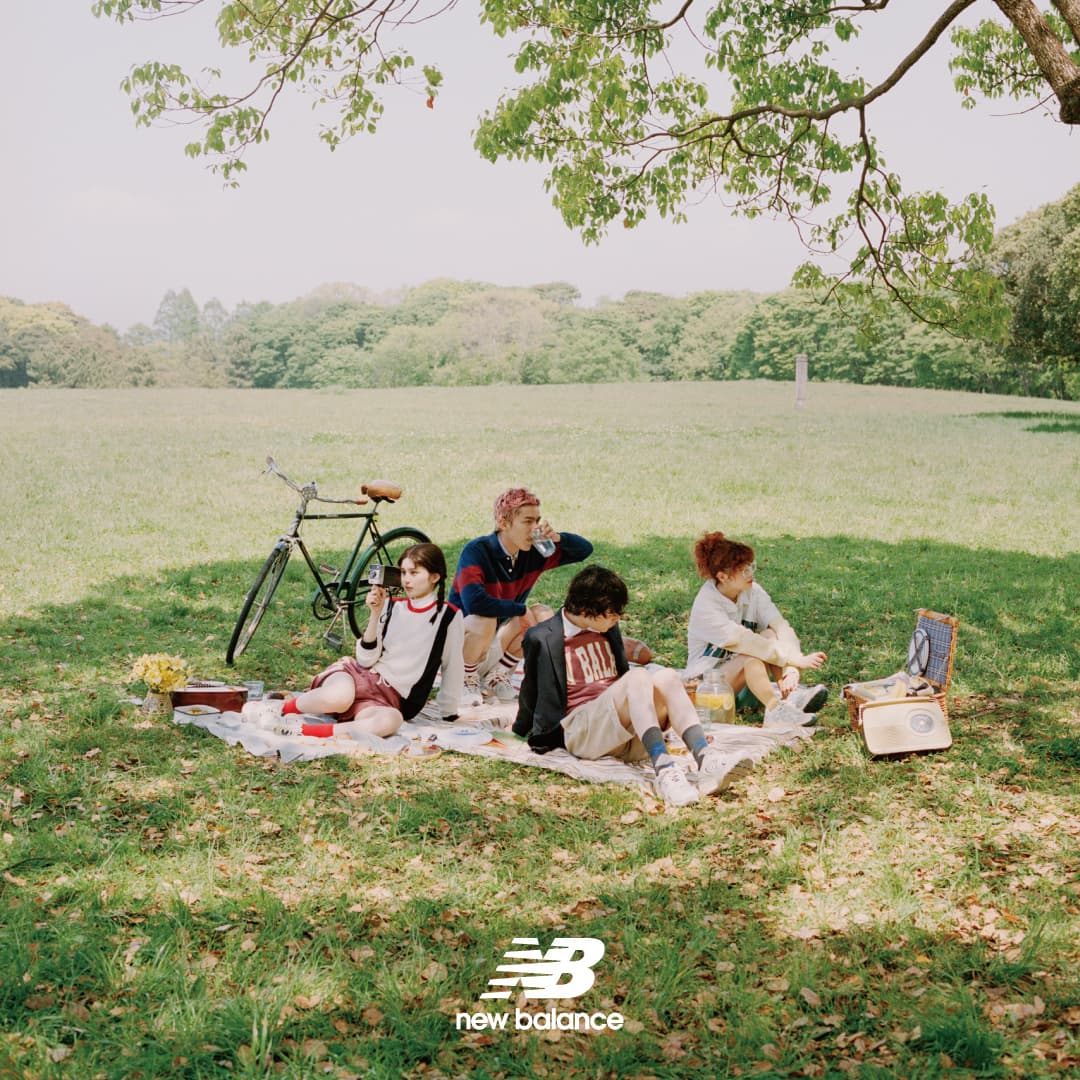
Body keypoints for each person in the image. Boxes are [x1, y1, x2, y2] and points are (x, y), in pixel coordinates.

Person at [513, 565, 754, 807]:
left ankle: (706, 759)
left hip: (624, 735)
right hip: (583, 732)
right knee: (637, 676)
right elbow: (531, 687)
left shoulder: (607, 628)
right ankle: (665, 772)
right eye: (612, 614)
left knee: (668, 677)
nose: (617, 619)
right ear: (586, 611)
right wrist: (520, 727)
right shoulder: (542, 637)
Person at [243, 543, 463, 736]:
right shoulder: (392, 605)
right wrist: (375, 614)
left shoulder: (449, 616)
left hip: (385, 700)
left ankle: (298, 730)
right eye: (404, 572)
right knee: (340, 697)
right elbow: (365, 660)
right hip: (357, 677)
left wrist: (449, 712)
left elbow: (453, 665)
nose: (406, 579)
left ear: (435, 577)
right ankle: (276, 709)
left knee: (391, 721)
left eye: (414, 573)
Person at [448, 488, 592, 703]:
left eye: (537, 521)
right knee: (485, 619)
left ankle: (497, 675)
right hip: (460, 645)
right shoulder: (477, 550)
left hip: (496, 639)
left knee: (543, 615)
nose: (535, 529)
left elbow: (584, 550)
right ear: (503, 523)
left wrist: (557, 537)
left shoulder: (533, 552)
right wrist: (520, 610)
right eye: (527, 521)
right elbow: (475, 603)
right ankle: (464, 679)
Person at [686, 531, 828, 728]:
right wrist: (792, 658)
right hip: (708, 693)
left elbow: (781, 627)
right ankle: (774, 710)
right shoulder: (707, 605)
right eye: (743, 570)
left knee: (770, 634)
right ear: (723, 576)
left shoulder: (753, 592)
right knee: (750, 656)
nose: (750, 574)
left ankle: (791, 698)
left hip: (746, 684)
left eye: (750, 567)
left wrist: (791, 669)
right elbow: (746, 642)